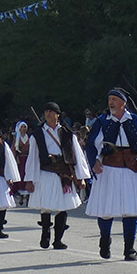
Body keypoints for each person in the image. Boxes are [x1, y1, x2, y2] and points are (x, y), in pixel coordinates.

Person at [84, 88, 137, 260]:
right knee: (106, 210)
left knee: (131, 210)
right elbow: (91, 145)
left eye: (115, 99)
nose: (111, 102)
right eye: (110, 99)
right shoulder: (102, 122)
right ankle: (105, 239)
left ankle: (129, 248)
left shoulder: (136, 121)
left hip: (131, 170)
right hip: (108, 169)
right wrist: (94, 162)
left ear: (123, 103)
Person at [25, 103, 90, 249]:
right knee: (46, 207)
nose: (48, 114)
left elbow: (77, 156)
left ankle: (58, 240)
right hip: (46, 173)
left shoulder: (67, 133)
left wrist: (82, 177)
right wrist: (30, 180)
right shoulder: (37, 134)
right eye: (46, 111)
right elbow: (33, 158)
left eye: (51, 111)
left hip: (64, 173)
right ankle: (45, 236)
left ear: (58, 115)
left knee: (62, 207)